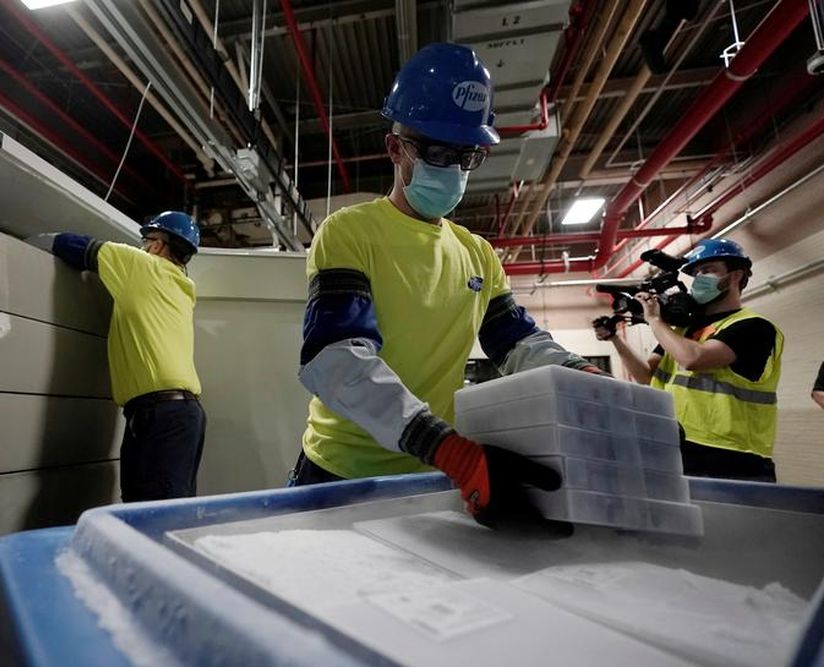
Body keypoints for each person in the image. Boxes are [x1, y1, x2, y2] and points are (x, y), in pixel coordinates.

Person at [290, 42, 604, 528]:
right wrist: (450, 450)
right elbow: (334, 359)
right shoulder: (350, 232)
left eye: (467, 156)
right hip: (340, 471)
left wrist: (582, 375)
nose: (454, 170)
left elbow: (517, 344)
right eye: (438, 152)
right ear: (396, 148)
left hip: (429, 468)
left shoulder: (477, 252)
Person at [30, 212, 206, 501]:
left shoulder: (142, 265)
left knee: (152, 510)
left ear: (158, 245)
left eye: (145, 240)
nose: (142, 246)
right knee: (156, 505)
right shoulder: (181, 288)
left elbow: (74, 246)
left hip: (161, 415)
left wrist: (29, 243)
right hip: (177, 414)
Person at [595, 238, 784, 482]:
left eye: (708, 270)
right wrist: (615, 340)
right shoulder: (682, 333)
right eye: (695, 273)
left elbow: (693, 358)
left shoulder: (753, 327)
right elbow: (646, 376)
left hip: (733, 456)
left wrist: (654, 320)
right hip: (681, 447)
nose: (699, 279)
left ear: (736, 276)